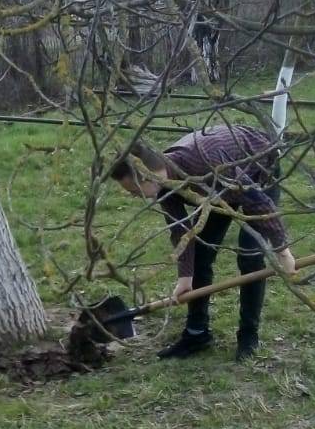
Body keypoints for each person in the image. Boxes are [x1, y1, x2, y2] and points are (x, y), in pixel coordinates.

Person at [110, 125, 296, 360]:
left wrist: (283, 252)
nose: (132, 195)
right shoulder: (165, 184)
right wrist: (185, 277)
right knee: (200, 253)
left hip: (258, 169)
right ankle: (197, 334)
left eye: (134, 189)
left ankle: (249, 336)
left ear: (150, 175)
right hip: (216, 189)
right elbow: (182, 231)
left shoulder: (204, 163)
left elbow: (259, 203)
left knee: (249, 254)